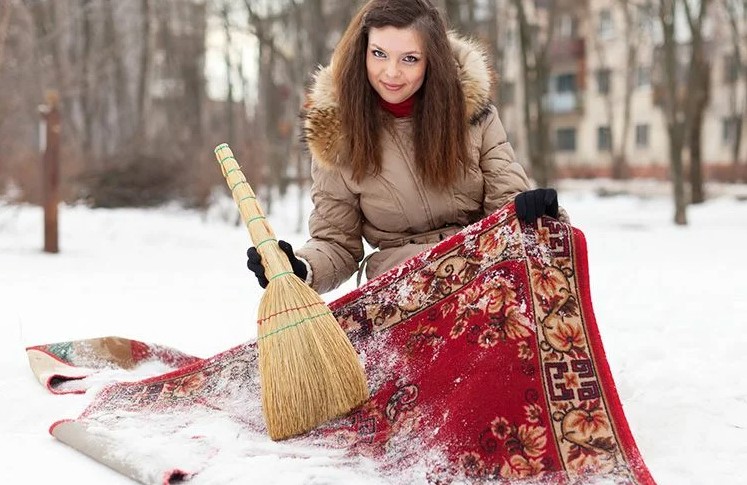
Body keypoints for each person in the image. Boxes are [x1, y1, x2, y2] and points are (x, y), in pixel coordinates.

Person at [247, 0, 568, 294]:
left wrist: (536, 212)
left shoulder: (473, 116)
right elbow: (337, 244)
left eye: (410, 59)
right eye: (379, 54)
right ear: (361, 52)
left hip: (481, 278)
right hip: (400, 293)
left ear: (432, 61)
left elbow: (507, 210)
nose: (391, 72)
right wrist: (300, 268)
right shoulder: (338, 134)